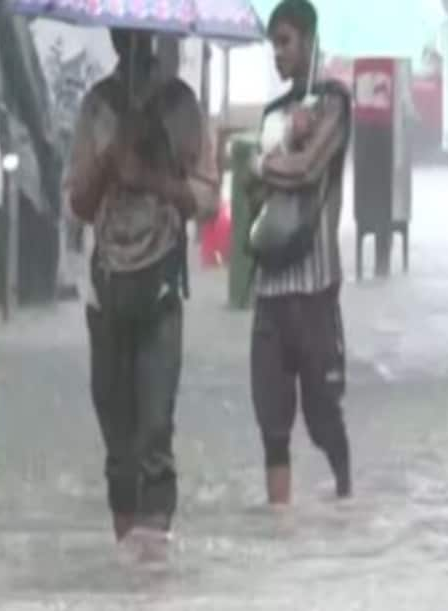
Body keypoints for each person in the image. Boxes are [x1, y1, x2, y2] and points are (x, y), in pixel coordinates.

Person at [65, 28, 218, 550]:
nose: (127, 38)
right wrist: (109, 162)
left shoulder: (181, 106)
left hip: (160, 286)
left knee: (154, 431)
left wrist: (149, 176)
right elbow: (78, 206)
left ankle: (151, 585)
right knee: (117, 444)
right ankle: (124, 569)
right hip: (105, 287)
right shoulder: (97, 106)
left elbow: (206, 200)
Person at [244, 0, 353, 504]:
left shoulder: (335, 103)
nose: (278, 55)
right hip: (269, 287)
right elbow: (248, 193)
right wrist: (285, 140)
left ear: (309, 42)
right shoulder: (273, 115)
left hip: (315, 289)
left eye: (285, 43)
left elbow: (310, 171)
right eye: (273, 45)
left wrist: (267, 162)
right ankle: (279, 523)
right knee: (272, 422)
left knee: (323, 414)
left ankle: (345, 492)